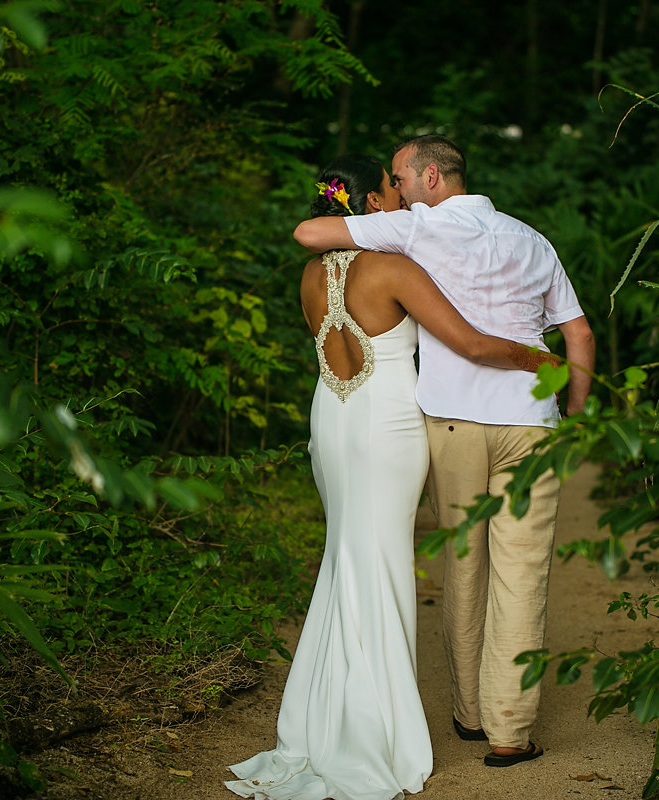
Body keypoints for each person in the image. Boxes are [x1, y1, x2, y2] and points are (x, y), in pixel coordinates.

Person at [225, 153, 559, 800]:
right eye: (391, 189)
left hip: (333, 419)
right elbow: (469, 344)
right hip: (388, 426)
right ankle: (375, 733)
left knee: (347, 561)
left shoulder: (310, 275)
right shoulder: (396, 268)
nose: (402, 199)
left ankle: (328, 719)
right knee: (380, 565)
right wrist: (539, 360)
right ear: (372, 203)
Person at [293, 135, 595, 769]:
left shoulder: (412, 231)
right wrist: (573, 402)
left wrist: (366, 214)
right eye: (390, 184)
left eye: (402, 179)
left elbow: (312, 233)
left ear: (429, 177)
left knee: (463, 566)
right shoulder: (532, 238)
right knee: (522, 574)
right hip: (529, 423)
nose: (398, 191)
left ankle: (468, 715)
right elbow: (578, 330)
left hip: (452, 423)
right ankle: (510, 730)